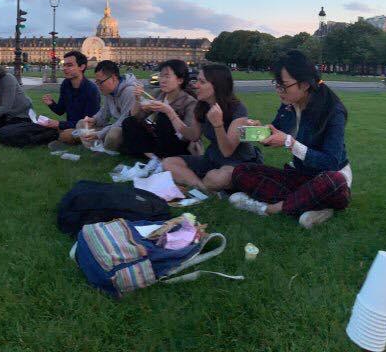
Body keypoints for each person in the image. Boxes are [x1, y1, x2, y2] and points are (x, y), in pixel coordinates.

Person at [203, 51, 350, 229]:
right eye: (277, 84)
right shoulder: (289, 105)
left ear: (304, 85)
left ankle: (270, 209)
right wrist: (261, 131)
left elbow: (331, 162)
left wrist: (290, 143)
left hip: (327, 179)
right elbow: (275, 130)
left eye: (284, 85)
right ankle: (313, 205)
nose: (278, 91)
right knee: (241, 171)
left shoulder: (333, 111)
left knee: (334, 180)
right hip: (300, 175)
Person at [160, 63, 261, 189]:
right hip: (212, 159)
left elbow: (227, 151)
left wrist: (218, 125)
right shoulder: (201, 105)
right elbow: (193, 136)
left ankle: (202, 184)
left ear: (217, 85)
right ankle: (203, 188)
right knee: (168, 163)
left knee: (217, 177)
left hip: (238, 161)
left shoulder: (237, 109)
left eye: (202, 82)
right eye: (196, 80)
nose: (195, 85)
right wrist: (170, 112)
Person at [118, 59, 201, 160]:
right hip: (160, 139)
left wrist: (169, 112)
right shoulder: (158, 94)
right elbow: (136, 117)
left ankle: (152, 156)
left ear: (180, 80)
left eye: (167, 76)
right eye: (161, 76)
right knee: (129, 122)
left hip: (179, 144)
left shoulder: (190, 102)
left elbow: (187, 137)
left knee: (163, 118)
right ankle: (154, 158)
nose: (162, 80)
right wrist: (137, 99)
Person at [79, 60, 142, 151]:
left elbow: (124, 121)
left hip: (131, 131)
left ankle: (102, 148)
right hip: (117, 126)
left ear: (113, 78)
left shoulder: (130, 91)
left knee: (113, 135)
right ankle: (95, 148)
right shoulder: (110, 92)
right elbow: (104, 113)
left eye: (100, 82)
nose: (98, 85)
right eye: (97, 82)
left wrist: (99, 134)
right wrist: (94, 120)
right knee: (82, 123)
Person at [39, 50, 100, 145]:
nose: (64, 68)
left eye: (69, 65)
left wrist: (59, 124)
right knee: (44, 127)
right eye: (64, 65)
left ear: (82, 67)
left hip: (87, 128)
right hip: (69, 126)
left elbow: (88, 122)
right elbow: (61, 110)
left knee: (65, 135)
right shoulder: (66, 84)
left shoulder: (91, 89)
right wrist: (51, 103)